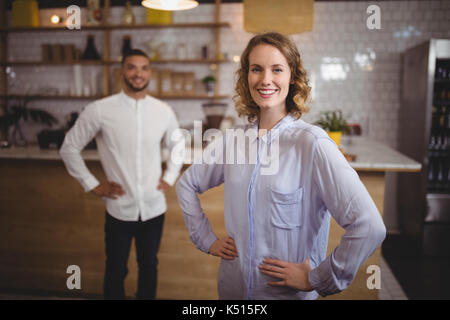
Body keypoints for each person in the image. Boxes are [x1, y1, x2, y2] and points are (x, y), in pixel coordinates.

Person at [175, 32, 386, 300]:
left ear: (293, 77)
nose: (265, 79)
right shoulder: (233, 141)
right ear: (246, 77)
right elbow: (186, 184)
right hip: (233, 291)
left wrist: (318, 278)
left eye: (277, 69)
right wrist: (206, 240)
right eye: (256, 69)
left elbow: (369, 226)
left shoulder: (312, 144)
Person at [60, 49, 184, 300]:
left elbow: (178, 145)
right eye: (132, 67)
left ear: (150, 73)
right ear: (122, 72)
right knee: (116, 269)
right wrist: (93, 185)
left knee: (149, 266)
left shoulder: (163, 111)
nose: (138, 73)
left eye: (144, 68)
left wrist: (170, 177)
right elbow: (69, 148)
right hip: (119, 207)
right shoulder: (100, 110)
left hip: (153, 206)